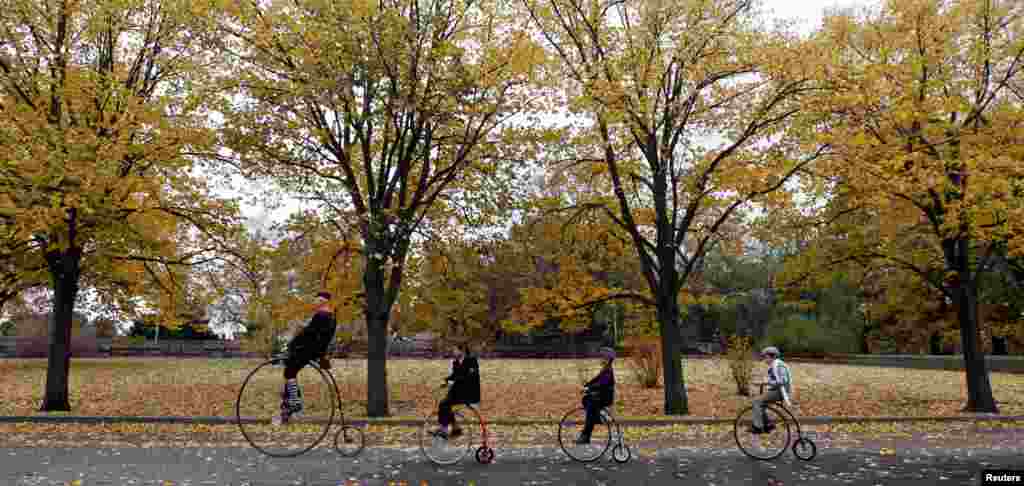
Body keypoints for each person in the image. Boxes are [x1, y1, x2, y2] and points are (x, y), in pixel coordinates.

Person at [277, 291, 337, 425]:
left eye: (317, 300)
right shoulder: (332, 317)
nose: (315, 303)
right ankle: (289, 401)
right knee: (290, 369)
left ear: (323, 301)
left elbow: (308, 334)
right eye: (316, 300)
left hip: (309, 351)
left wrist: (292, 344)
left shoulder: (321, 315)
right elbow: (322, 336)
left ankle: (294, 402)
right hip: (315, 351)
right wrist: (322, 354)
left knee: (289, 372)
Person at [430, 343, 480, 439]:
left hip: (469, 392)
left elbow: (471, 377)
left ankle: (444, 429)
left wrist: (454, 381)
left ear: (462, 350)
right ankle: (455, 428)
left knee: (445, 404)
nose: (453, 352)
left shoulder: (472, 360)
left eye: (455, 350)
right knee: (444, 405)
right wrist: (446, 380)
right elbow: (454, 375)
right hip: (457, 391)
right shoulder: (456, 362)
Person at [576, 346, 616, 444]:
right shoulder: (605, 369)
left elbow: (601, 384)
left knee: (590, 407)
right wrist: (587, 385)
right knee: (586, 401)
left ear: (607, 359)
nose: (600, 359)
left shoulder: (608, 370)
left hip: (604, 397)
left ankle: (586, 435)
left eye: (602, 357)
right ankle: (595, 419)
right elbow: (596, 380)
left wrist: (589, 388)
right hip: (600, 396)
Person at [750, 346, 792, 434]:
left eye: (765, 357)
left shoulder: (779, 365)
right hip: (778, 390)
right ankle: (768, 424)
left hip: (781, 392)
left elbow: (783, 380)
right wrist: (763, 383)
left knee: (757, 401)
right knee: (760, 402)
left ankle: (757, 426)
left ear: (771, 356)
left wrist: (766, 383)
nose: (764, 359)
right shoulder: (774, 365)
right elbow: (774, 381)